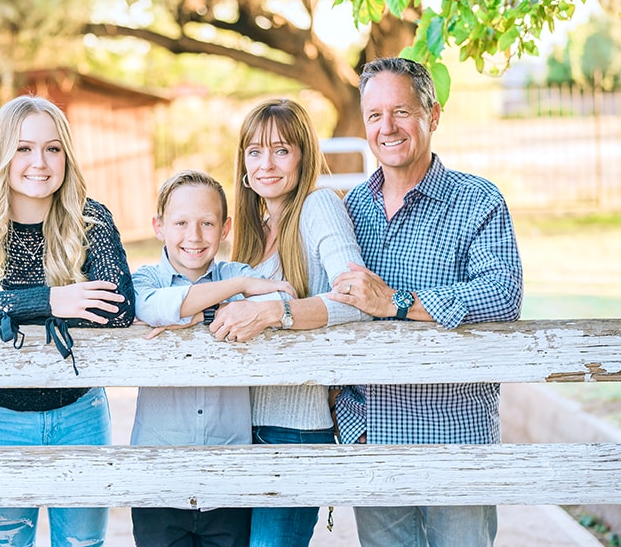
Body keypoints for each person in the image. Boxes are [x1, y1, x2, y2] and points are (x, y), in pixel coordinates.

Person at [329, 57, 524, 547]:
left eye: (401, 111)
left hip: (454, 438)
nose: (387, 127)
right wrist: (343, 413)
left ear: (433, 115)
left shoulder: (478, 202)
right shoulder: (348, 209)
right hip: (372, 436)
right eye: (374, 115)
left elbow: (502, 294)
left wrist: (397, 302)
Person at [0, 95, 135, 547]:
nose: (39, 162)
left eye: (53, 148)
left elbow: (119, 309)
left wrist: (2, 306)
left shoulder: (90, 220)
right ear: (3, 153)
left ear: (66, 156)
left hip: (80, 413)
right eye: (23, 148)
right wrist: (51, 300)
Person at [206, 99, 370, 547]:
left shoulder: (318, 206)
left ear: (304, 155)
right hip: (237, 426)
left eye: (281, 150)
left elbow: (356, 298)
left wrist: (278, 311)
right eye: (255, 152)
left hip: (294, 428)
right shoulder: (251, 232)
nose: (266, 164)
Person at [131, 169, 297, 547]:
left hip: (229, 473)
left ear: (225, 228)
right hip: (159, 477)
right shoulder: (144, 280)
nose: (194, 236)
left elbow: (278, 299)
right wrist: (234, 293)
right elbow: (155, 308)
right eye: (181, 223)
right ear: (159, 226)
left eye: (207, 223)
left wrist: (190, 313)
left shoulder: (237, 271)